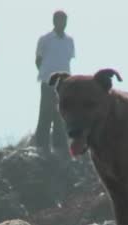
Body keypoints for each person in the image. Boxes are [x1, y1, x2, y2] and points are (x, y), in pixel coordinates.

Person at [34, 10, 75, 156]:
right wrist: (46, 74)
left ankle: (59, 146)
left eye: (64, 20)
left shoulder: (69, 41)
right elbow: (38, 60)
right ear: (54, 21)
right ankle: (41, 145)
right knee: (45, 112)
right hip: (48, 81)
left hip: (64, 83)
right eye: (59, 20)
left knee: (61, 113)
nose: (62, 23)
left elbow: (68, 59)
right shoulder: (45, 39)